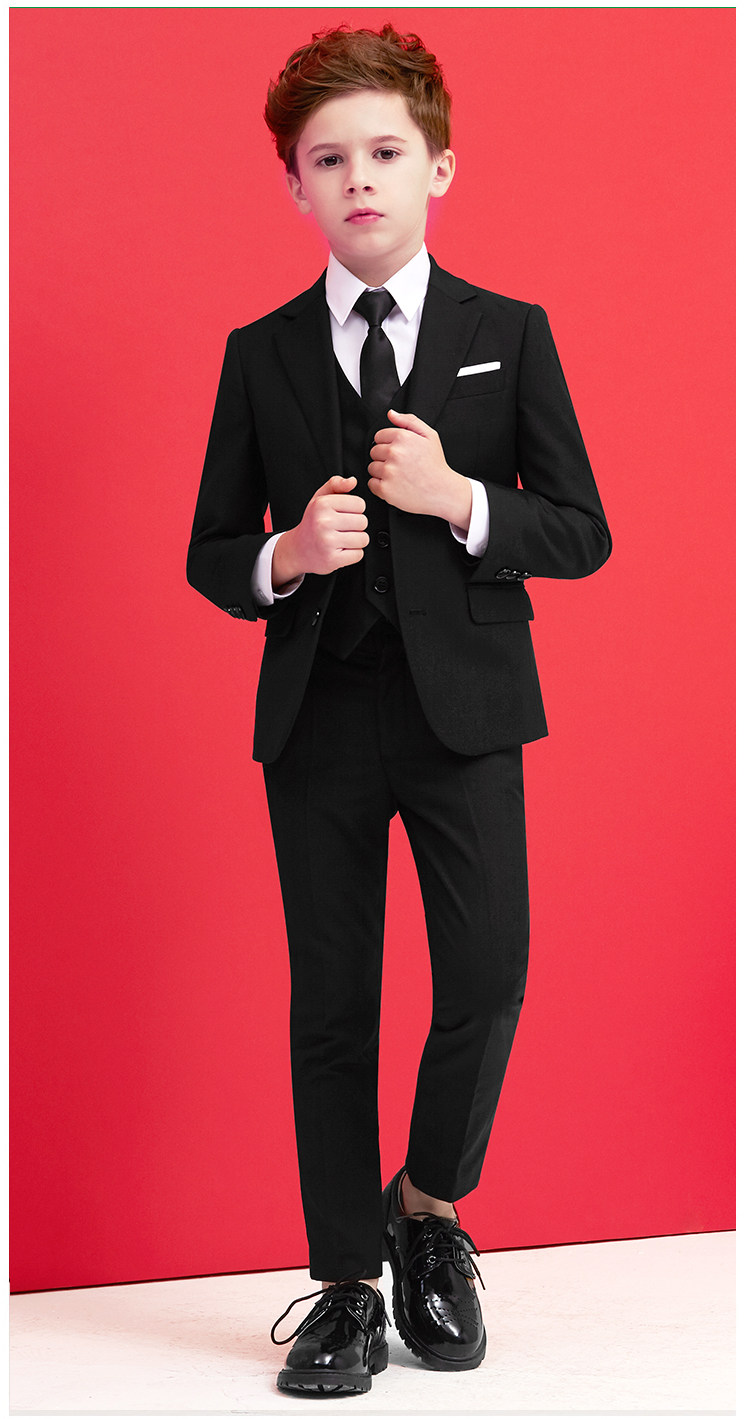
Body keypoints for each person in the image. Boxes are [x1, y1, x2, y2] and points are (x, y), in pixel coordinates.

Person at [186, 21, 611, 1398]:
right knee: (333, 1003)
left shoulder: (508, 334)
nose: (357, 177)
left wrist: (462, 501)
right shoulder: (259, 352)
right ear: (294, 187)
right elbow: (210, 551)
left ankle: (426, 1209)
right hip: (319, 714)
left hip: (467, 710)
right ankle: (343, 1285)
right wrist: (287, 555)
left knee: (486, 974)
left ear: (439, 168)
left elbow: (582, 530)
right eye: (328, 160)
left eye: (384, 151)